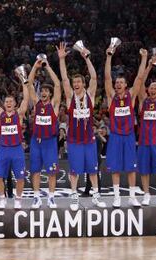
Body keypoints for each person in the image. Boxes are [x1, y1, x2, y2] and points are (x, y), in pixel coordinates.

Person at [57, 42, 106, 210]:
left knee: (93, 170)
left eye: (79, 81)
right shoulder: (70, 96)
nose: (76, 84)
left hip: (89, 141)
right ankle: (74, 196)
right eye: (74, 82)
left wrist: (87, 58)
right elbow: (63, 78)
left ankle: (96, 195)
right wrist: (62, 59)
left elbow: (94, 77)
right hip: (74, 140)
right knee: (74, 171)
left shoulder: (90, 95)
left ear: (83, 84)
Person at [104, 48, 147, 208]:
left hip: (129, 136)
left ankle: (132, 197)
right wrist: (109, 57)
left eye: (121, 82)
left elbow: (140, 77)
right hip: (115, 136)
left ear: (126, 85)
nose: (118, 84)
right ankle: (116, 198)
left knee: (131, 168)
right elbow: (107, 76)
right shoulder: (111, 97)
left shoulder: (132, 96)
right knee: (115, 168)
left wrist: (144, 58)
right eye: (117, 83)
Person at [0, 70, 29, 209]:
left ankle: (18, 199)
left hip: (17, 149)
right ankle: (2, 198)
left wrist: (24, 80)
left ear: (15, 104)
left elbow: (25, 99)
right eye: (6, 101)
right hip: (3, 149)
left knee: (20, 177)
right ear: (4, 104)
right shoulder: (0, 114)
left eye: (11, 101)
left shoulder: (19, 114)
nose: (8, 103)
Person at [28, 57, 61, 209]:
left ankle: (52, 197)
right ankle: (36, 197)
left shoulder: (53, 105)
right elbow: (29, 85)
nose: (44, 92)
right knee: (35, 170)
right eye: (42, 90)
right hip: (36, 141)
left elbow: (58, 84)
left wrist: (47, 67)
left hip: (50, 142)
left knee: (51, 172)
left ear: (50, 94)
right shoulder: (36, 104)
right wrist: (35, 68)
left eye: (46, 91)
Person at [138, 54, 156, 207]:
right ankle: (146, 194)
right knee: (144, 170)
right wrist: (149, 66)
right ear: (148, 90)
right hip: (143, 142)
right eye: (152, 87)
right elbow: (141, 82)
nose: (154, 89)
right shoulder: (143, 100)